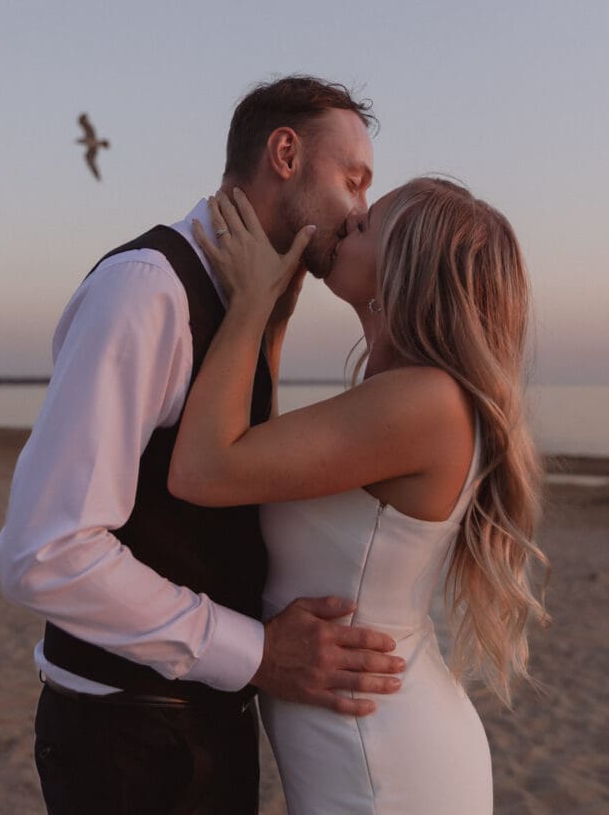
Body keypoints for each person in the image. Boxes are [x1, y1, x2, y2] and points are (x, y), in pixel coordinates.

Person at [0, 75, 407, 815]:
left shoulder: (247, 301)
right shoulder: (145, 290)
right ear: (285, 153)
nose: (360, 210)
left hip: (206, 720)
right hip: (127, 742)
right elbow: (46, 553)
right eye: (352, 179)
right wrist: (257, 653)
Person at [169, 178, 550, 815]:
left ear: (405, 267)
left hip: (382, 759)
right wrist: (273, 317)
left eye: (368, 224)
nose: (348, 220)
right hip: (368, 734)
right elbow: (254, 455)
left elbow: (203, 470)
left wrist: (250, 305)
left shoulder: (426, 401)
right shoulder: (410, 395)